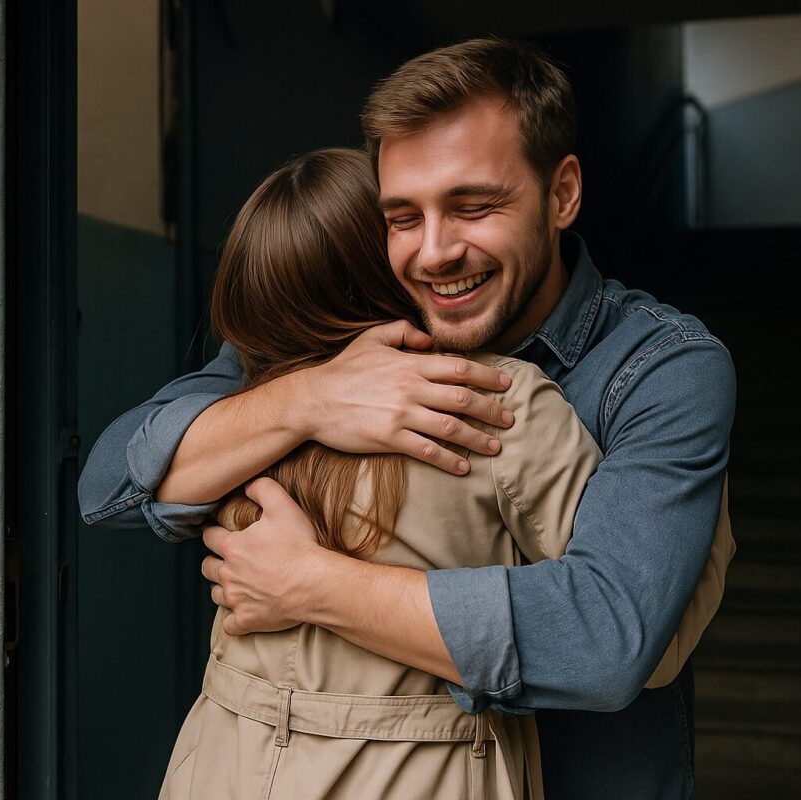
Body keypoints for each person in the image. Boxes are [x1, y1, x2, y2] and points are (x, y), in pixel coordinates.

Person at [81, 38, 735, 799]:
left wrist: (312, 583)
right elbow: (111, 486)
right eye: (402, 217)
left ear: (561, 194)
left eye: (474, 206)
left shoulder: (660, 368)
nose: (434, 254)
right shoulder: (341, 330)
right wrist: (310, 399)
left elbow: (607, 639)